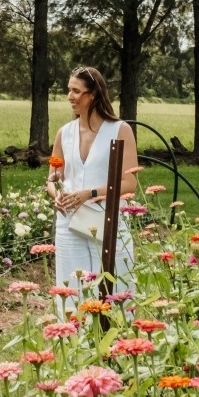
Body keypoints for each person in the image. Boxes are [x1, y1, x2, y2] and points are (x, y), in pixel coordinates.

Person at [46, 66, 138, 312]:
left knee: (116, 289)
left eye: (76, 91)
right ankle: (77, 345)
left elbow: (130, 183)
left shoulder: (119, 130)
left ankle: (118, 346)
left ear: (94, 94)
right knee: (73, 292)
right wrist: (57, 196)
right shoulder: (64, 133)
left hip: (108, 222)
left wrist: (91, 193)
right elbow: (52, 179)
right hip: (70, 222)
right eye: (69, 90)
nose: (70, 97)